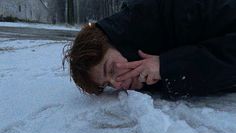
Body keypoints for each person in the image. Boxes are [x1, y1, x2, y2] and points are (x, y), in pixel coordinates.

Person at [64, 0, 236, 99]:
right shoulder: (144, 63)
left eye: (111, 69)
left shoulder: (175, 11)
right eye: (108, 84)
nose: (117, 84)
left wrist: (168, 66)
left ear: (116, 41)